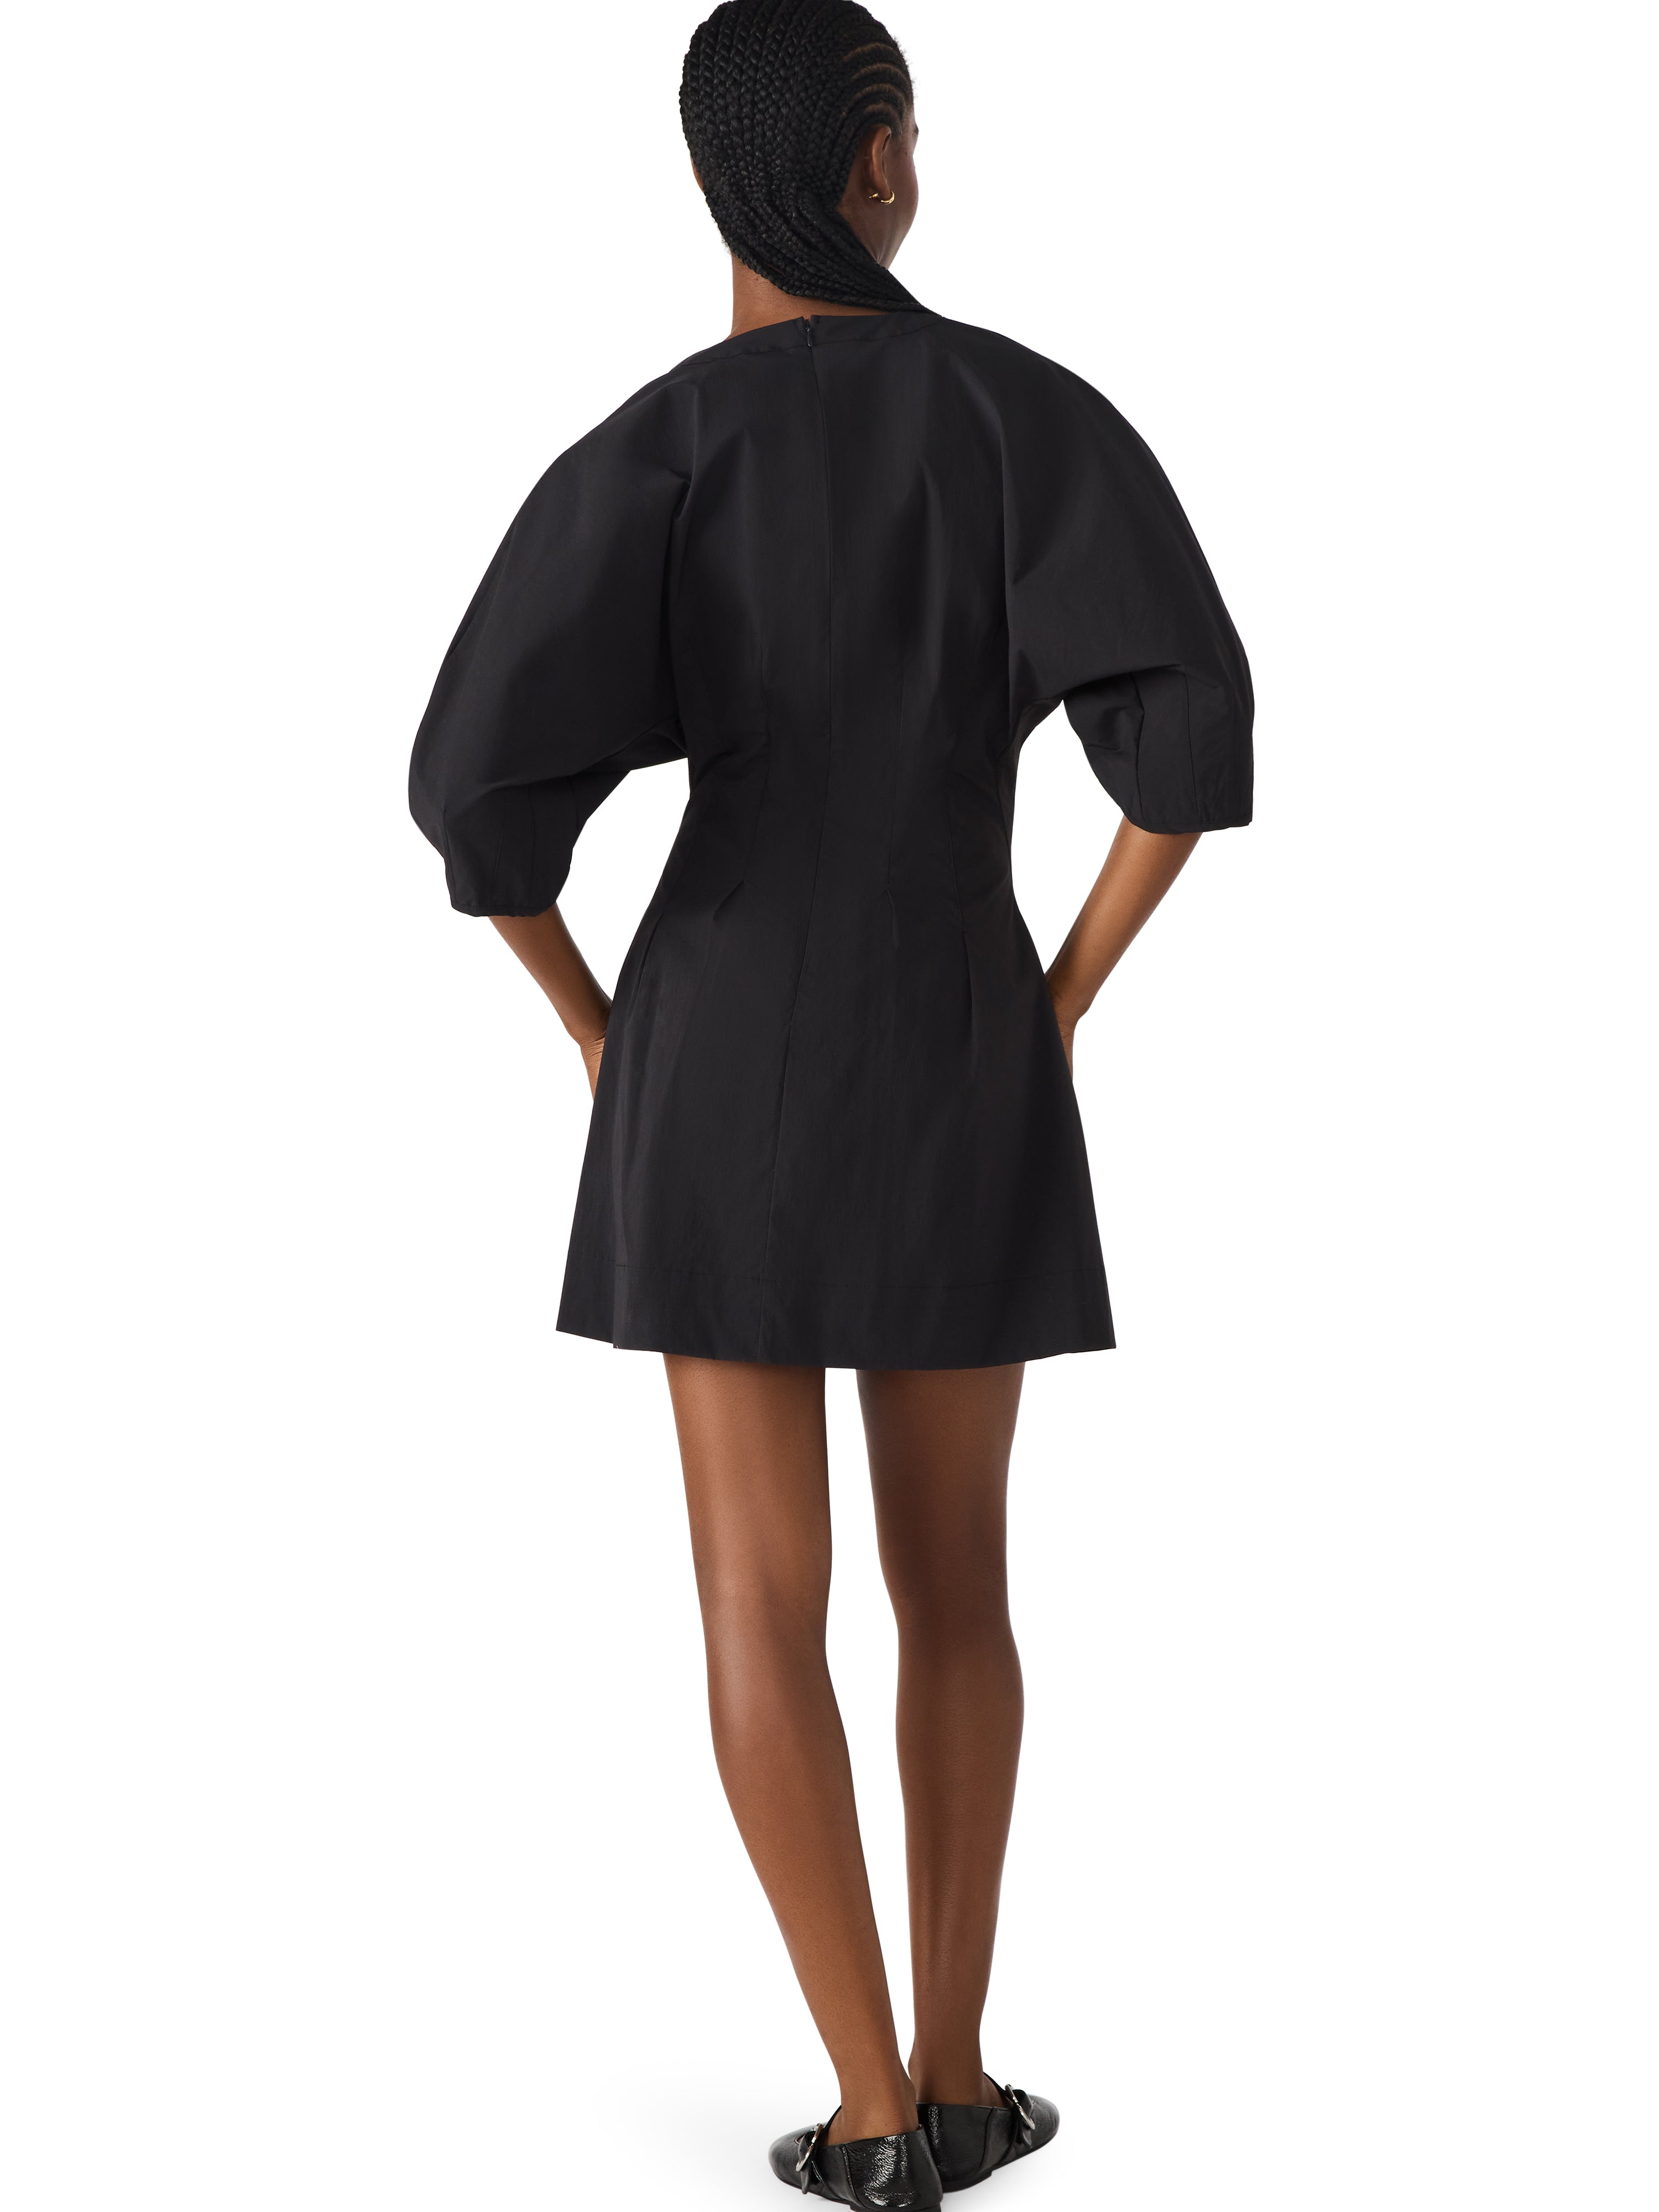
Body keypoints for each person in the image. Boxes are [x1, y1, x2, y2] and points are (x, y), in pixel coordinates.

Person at [408, 1, 1252, 2200]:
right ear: (877, 161)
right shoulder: (1023, 414)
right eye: (914, 135)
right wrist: (1057, 994)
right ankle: (961, 2077)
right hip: (958, 1024)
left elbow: (476, 796)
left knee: (753, 1604)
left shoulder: (657, 445)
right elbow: (1184, 751)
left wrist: (600, 1030)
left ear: (716, 179)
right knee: (959, 1587)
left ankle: (871, 2118)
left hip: (712, 1046)